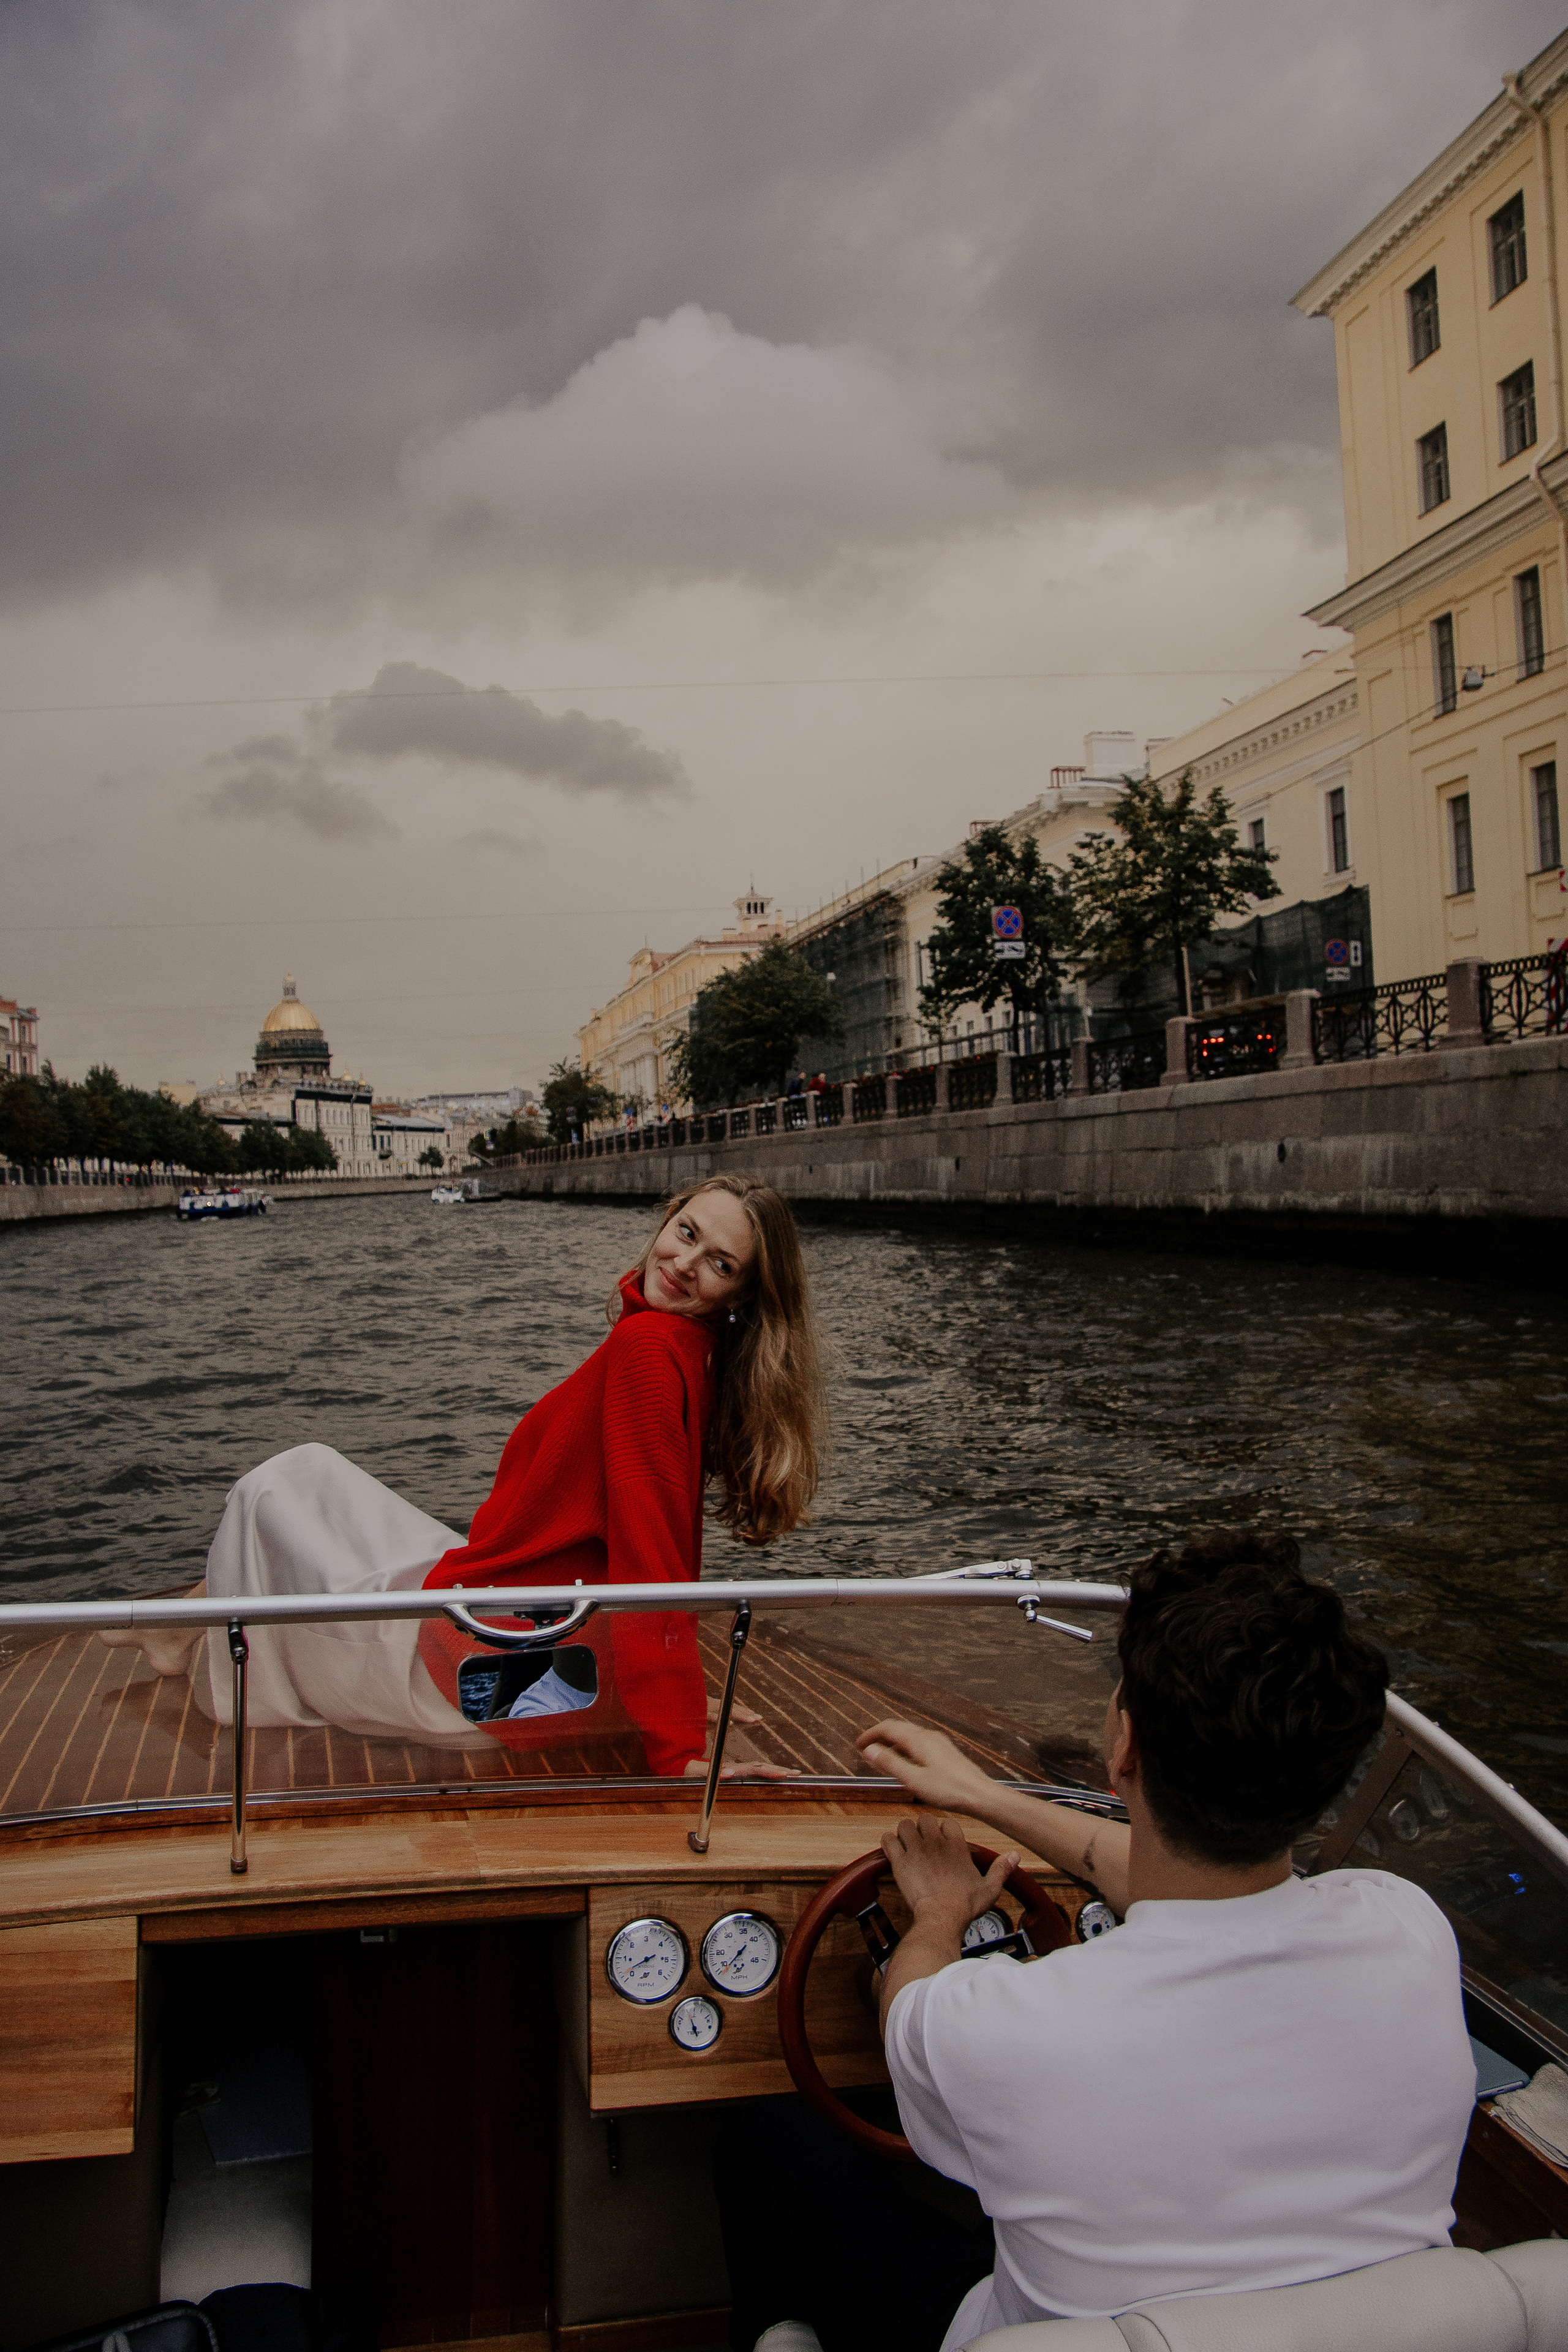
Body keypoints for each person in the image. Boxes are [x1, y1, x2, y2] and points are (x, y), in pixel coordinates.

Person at [714, 1530, 1476, 2352]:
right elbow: (1191, 1876)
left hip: (1009, 2335)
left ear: (1124, 1746)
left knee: (771, 2132)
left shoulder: (1006, 2030)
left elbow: (906, 2001)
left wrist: (936, 1915)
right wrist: (982, 1797)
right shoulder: (1408, 1932)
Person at [107, 1176, 824, 1777]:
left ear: (738, 1299)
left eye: (721, 1264)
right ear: (668, 1218)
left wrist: (677, 1749)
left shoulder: (645, 1350)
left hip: (490, 1688)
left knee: (271, 1489)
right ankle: (189, 1619)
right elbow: (654, 1541)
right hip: (557, 1666)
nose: (685, 1262)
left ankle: (185, 1632)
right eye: (688, 1232)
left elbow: (652, 1560)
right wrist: (653, 1691)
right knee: (316, 1474)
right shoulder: (687, 1351)